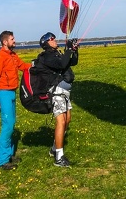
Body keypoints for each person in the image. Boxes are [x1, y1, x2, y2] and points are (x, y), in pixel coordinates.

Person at [31, 32, 79, 167]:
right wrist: (68, 50)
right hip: (56, 92)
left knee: (67, 120)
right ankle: (59, 157)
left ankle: (53, 148)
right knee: (61, 122)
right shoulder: (47, 56)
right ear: (46, 43)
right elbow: (62, 65)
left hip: (64, 92)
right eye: (52, 39)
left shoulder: (56, 53)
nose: (55, 40)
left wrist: (74, 50)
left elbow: (72, 62)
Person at [0, 30, 32, 170]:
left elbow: (22, 66)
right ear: (5, 42)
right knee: (7, 126)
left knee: (12, 124)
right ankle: (2, 161)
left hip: (12, 92)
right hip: (4, 94)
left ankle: (10, 155)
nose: (15, 41)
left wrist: (36, 65)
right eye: (12, 39)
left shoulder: (13, 55)